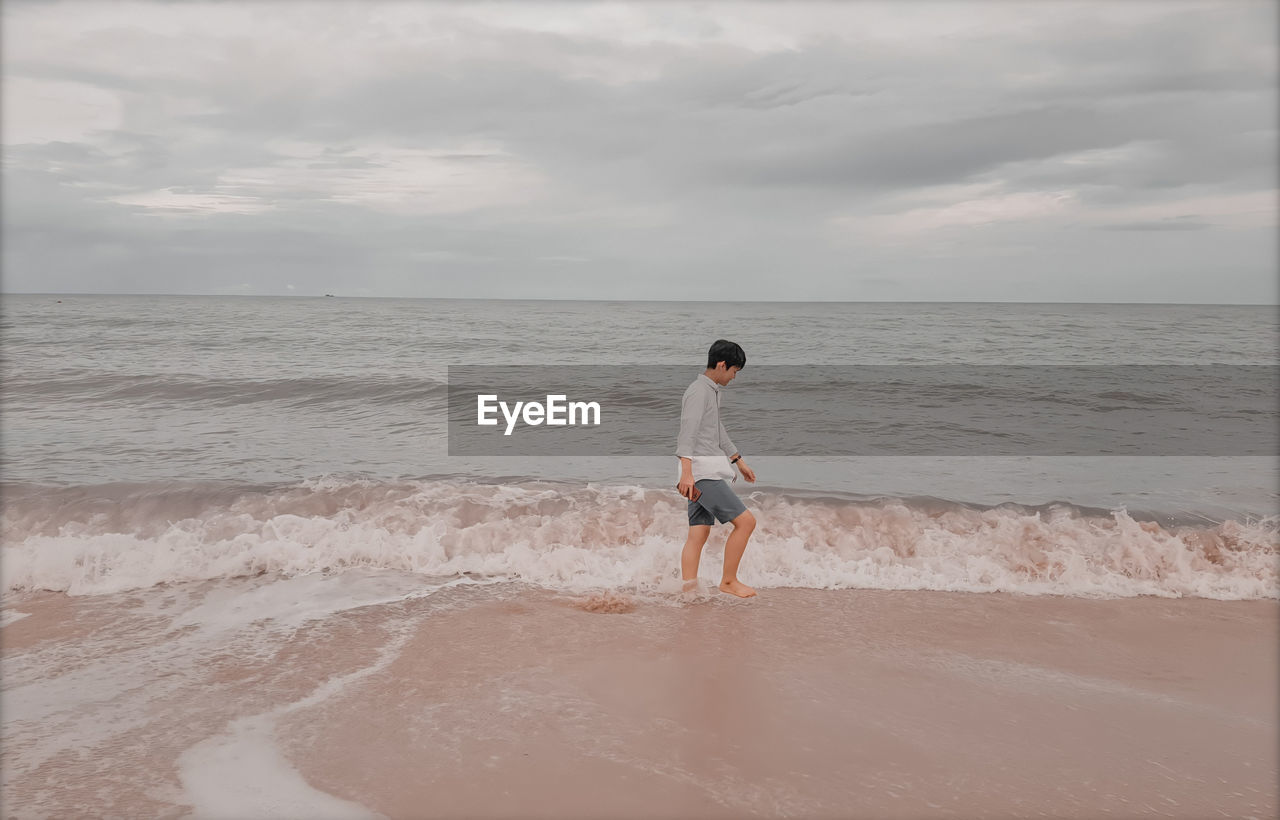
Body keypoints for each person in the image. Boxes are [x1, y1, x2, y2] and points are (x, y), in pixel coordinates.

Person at [676, 339, 758, 598]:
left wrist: (738, 460)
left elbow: (716, 430)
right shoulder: (698, 392)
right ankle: (729, 581)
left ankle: (689, 591)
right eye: (734, 371)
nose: (734, 377)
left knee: (697, 534)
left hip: (699, 472)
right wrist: (687, 474)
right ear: (722, 365)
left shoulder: (710, 390)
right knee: (746, 523)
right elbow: (686, 434)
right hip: (702, 474)